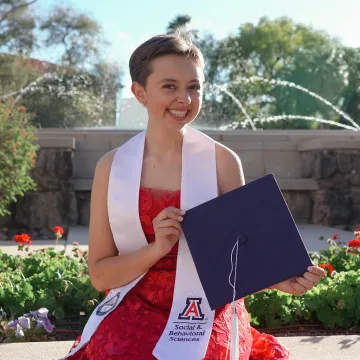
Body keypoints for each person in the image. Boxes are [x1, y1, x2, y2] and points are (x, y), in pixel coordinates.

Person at [64, 32, 325, 360]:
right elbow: (101, 275)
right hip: (137, 303)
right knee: (124, 352)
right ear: (140, 93)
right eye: (169, 86)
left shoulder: (222, 162)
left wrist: (280, 279)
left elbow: (242, 259)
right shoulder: (112, 167)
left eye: (194, 87)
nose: (184, 99)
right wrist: (157, 249)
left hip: (207, 307)